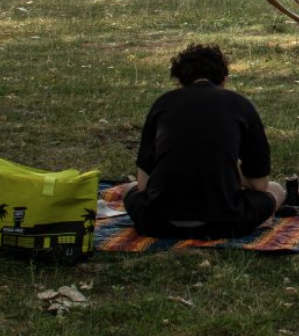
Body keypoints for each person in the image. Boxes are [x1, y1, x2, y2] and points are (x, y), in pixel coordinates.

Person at [122, 43, 285, 238]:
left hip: (158, 222)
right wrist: (231, 169)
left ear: (179, 82)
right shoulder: (241, 105)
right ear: (224, 80)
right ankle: (257, 222)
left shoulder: (162, 104)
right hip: (225, 223)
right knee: (276, 190)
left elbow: (142, 185)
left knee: (128, 190)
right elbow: (260, 185)